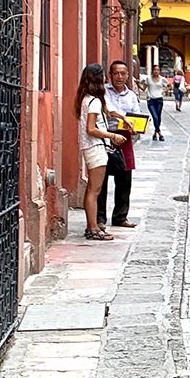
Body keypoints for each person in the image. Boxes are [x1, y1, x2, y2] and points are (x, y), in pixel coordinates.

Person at [74, 63, 124, 242]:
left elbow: (108, 111)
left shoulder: (86, 99)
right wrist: (112, 135)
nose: (106, 79)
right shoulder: (94, 102)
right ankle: (93, 228)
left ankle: (92, 227)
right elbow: (91, 129)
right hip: (95, 146)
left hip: (89, 147)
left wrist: (123, 117)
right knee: (94, 191)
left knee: (92, 190)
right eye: (103, 75)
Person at [98, 60, 141, 229]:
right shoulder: (104, 93)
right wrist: (124, 118)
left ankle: (120, 216)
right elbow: (106, 110)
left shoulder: (131, 95)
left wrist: (137, 127)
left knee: (125, 178)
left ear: (128, 75)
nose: (120, 77)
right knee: (101, 179)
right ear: (110, 75)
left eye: (123, 73)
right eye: (116, 73)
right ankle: (100, 218)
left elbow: (137, 114)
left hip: (125, 138)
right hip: (107, 135)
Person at [146, 65, 167, 140]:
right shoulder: (148, 79)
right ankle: (160, 133)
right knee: (155, 116)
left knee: (158, 117)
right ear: (152, 70)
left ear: (159, 71)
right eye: (155, 70)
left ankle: (155, 133)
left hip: (159, 100)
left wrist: (164, 91)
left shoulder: (162, 79)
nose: (156, 71)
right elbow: (143, 88)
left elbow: (169, 85)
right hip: (151, 100)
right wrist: (138, 84)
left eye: (158, 70)